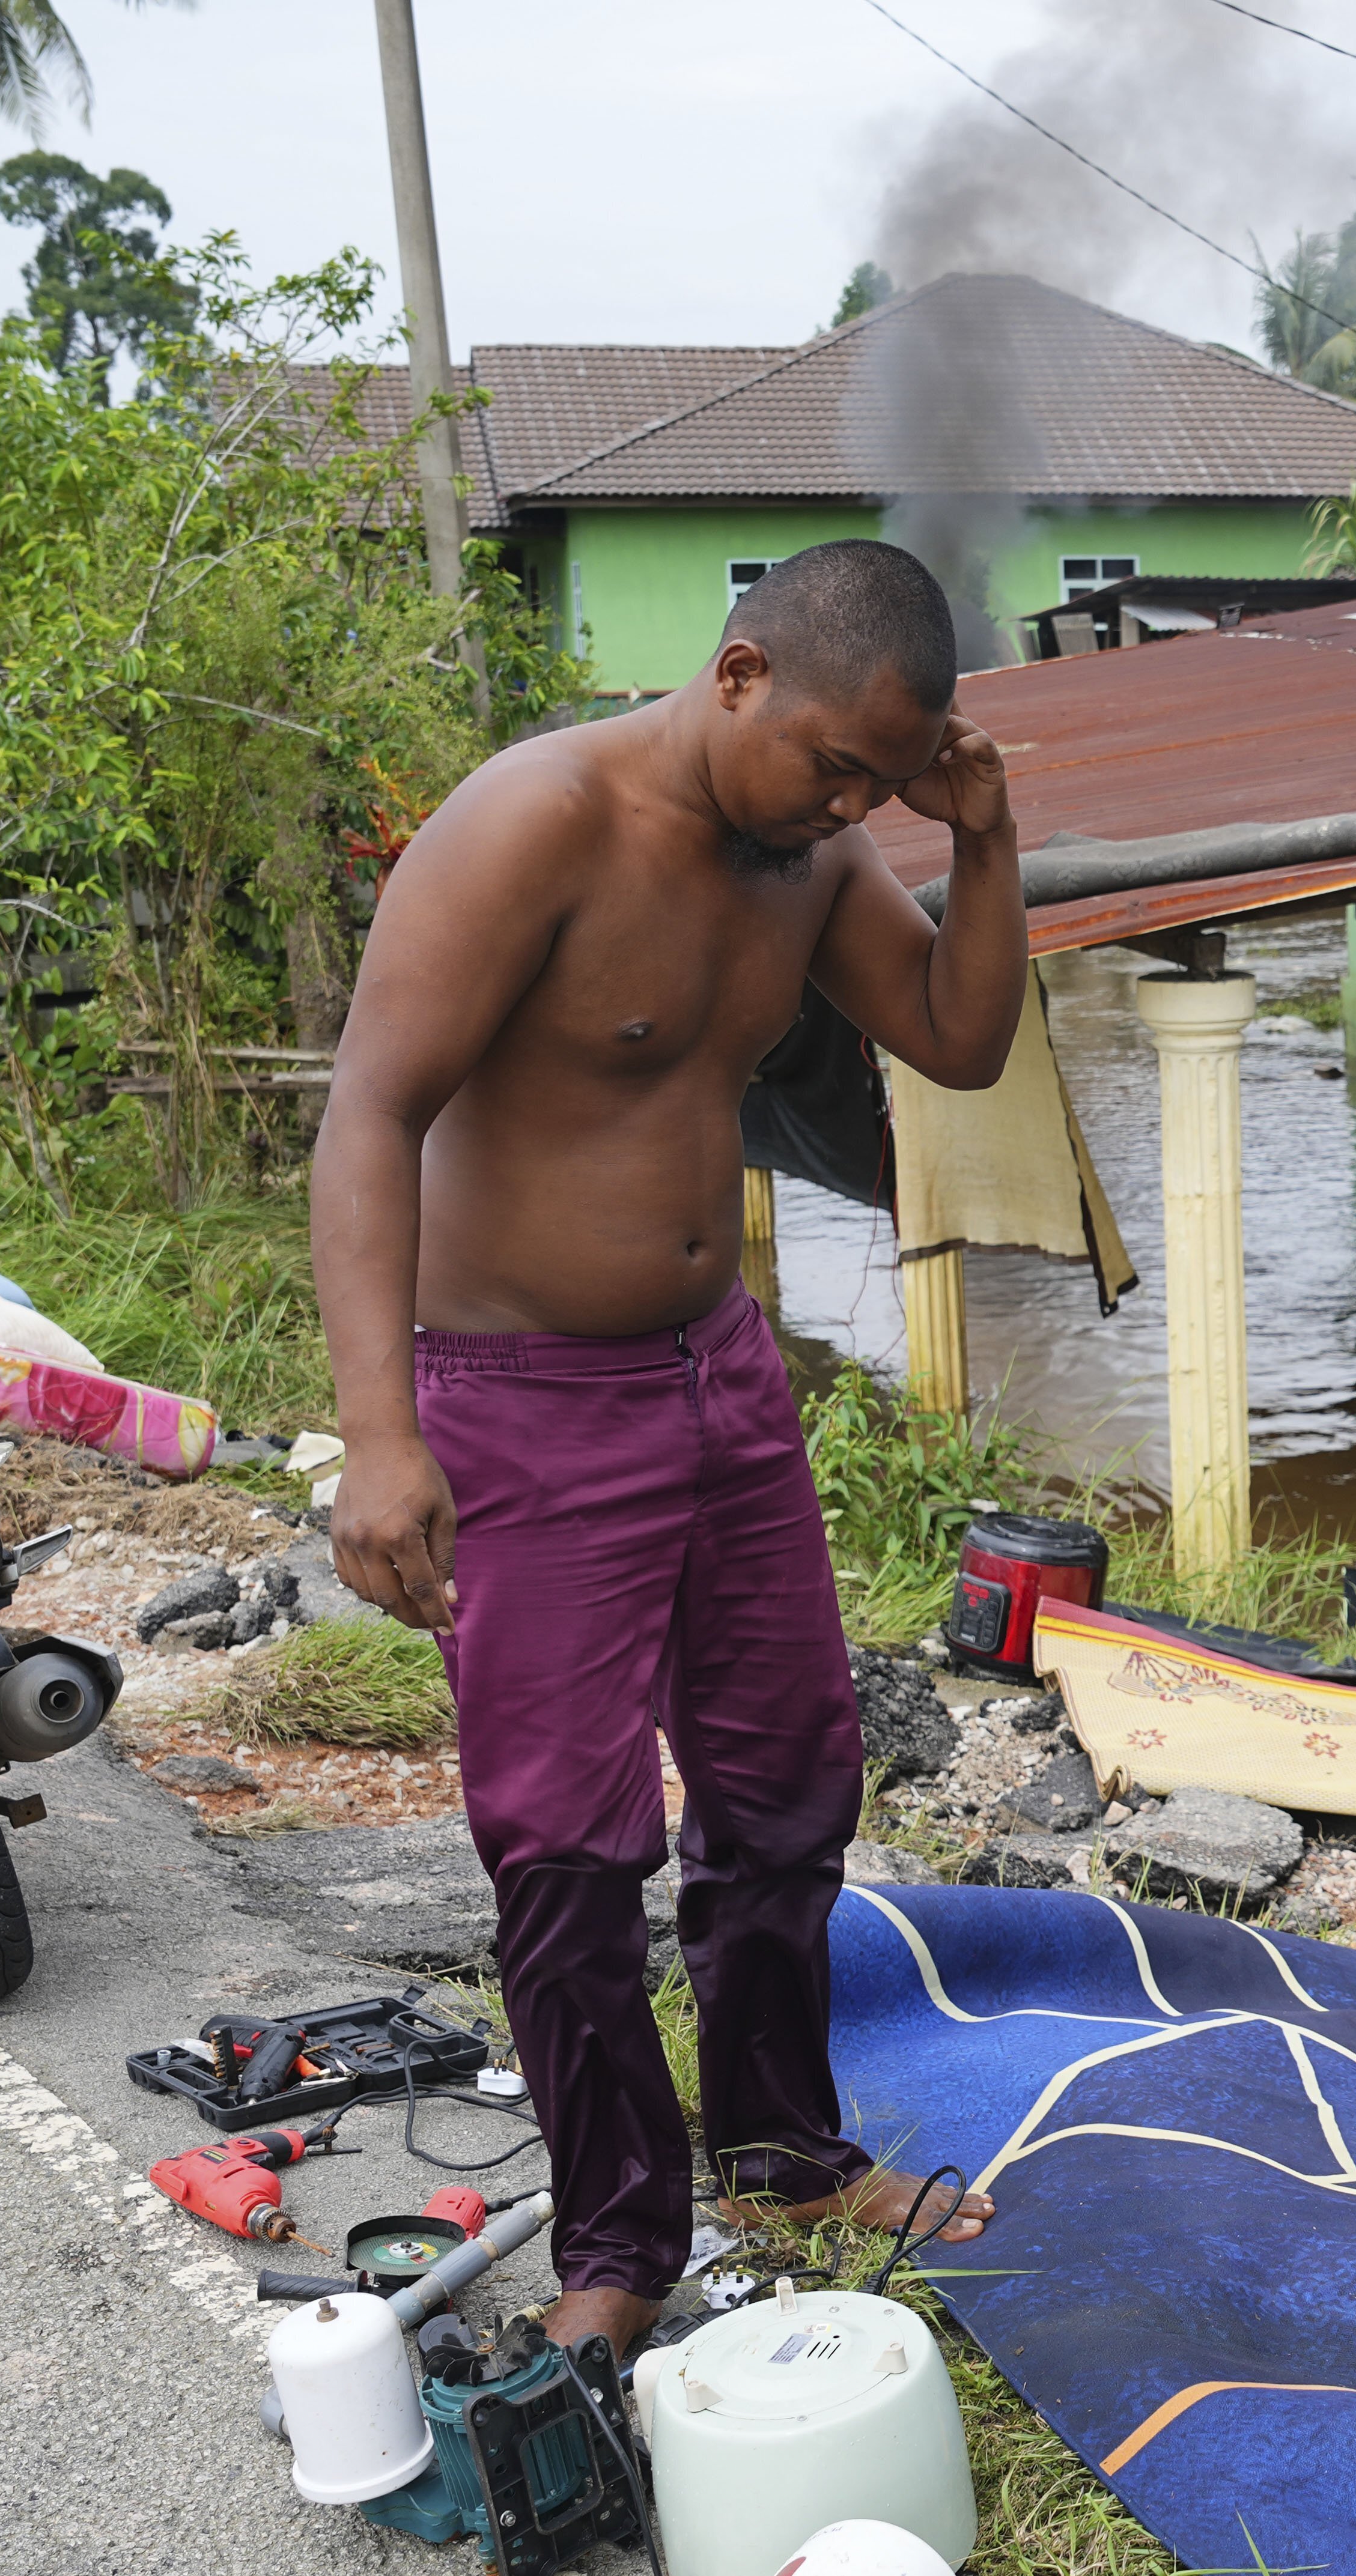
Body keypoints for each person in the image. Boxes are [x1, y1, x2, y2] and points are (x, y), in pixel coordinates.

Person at [313, 538, 1025, 2363]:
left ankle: (781, 2153)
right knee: (565, 1844)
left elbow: (956, 1036)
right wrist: (379, 1437)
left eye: (881, 779)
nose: (850, 801)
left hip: (719, 1382)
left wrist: (985, 836)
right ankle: (619, 2245)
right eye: (832, 763)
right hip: (524, 1397)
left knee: (789, 1781)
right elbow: (370, 1115)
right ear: (733, 677)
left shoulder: (815, 849)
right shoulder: (530, 825)